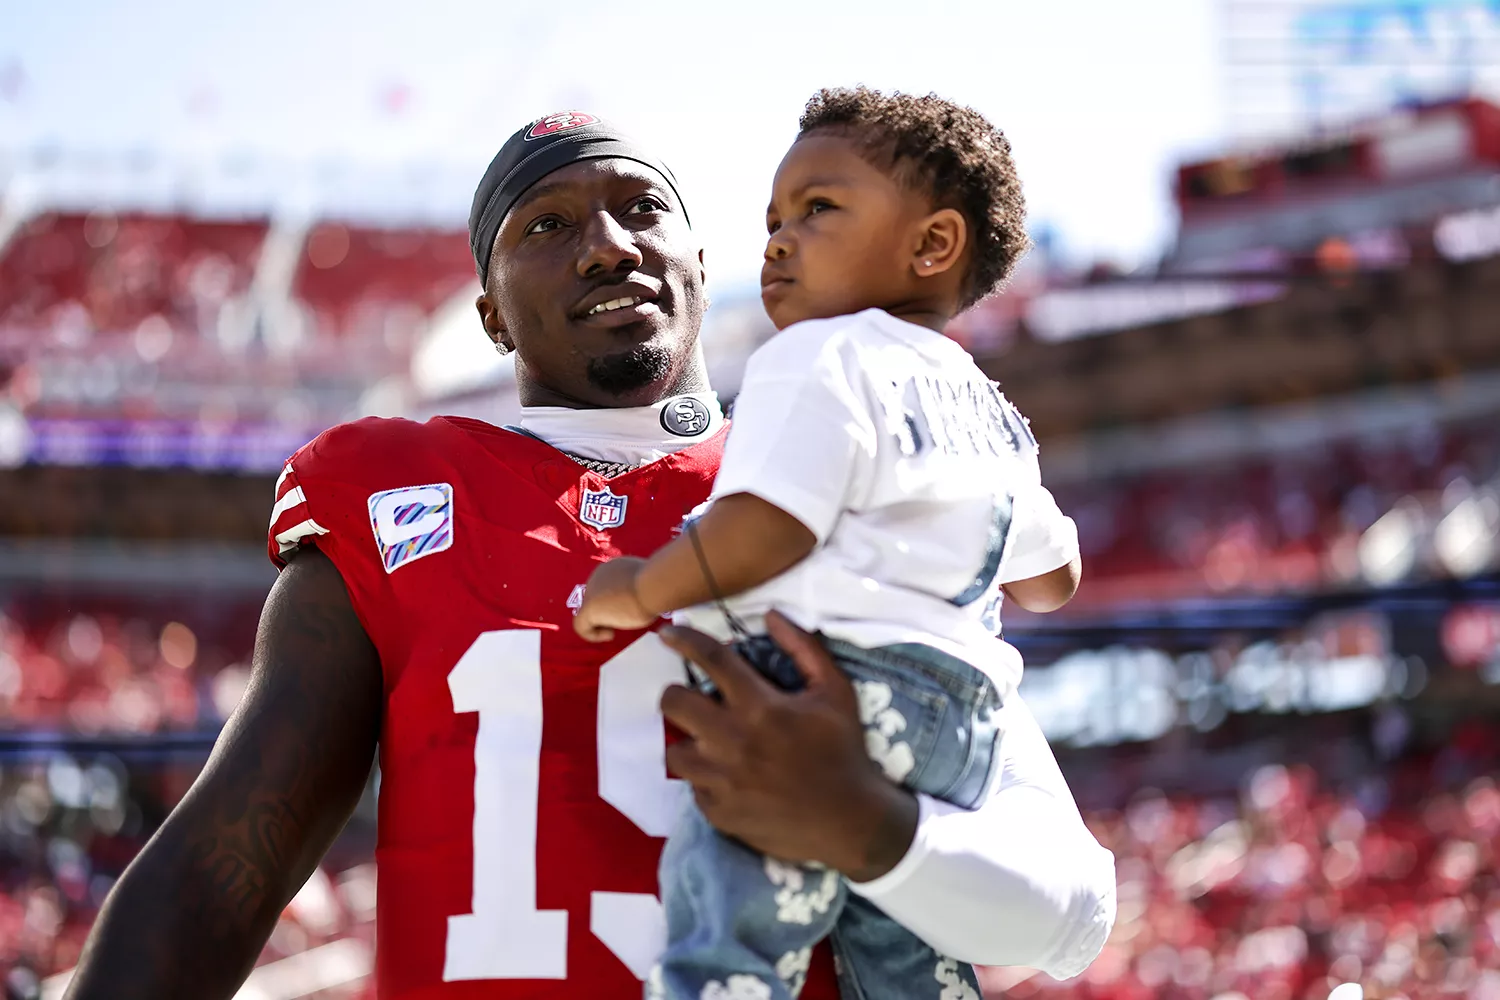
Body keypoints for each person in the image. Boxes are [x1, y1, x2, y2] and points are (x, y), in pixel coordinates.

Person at [61, 110, 1116, 1000]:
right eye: (548, 225)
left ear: (707, 261)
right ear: (490, 313)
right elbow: (225, 866)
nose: (606, 244)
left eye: (642, 208)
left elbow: (1070, 906)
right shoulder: (390, 485)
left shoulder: (852, 471)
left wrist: (871, 825)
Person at [573, 87, 1084, 1000]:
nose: (776, 239)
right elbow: (1052, 577)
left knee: (731, 915)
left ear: (932, 245)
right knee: (901, 949)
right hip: (956, 725)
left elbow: (764, 531)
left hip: (813, 686)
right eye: (773, 218)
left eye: (818, 210)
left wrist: (641, 586)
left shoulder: (816, 356)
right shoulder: (993, 408)